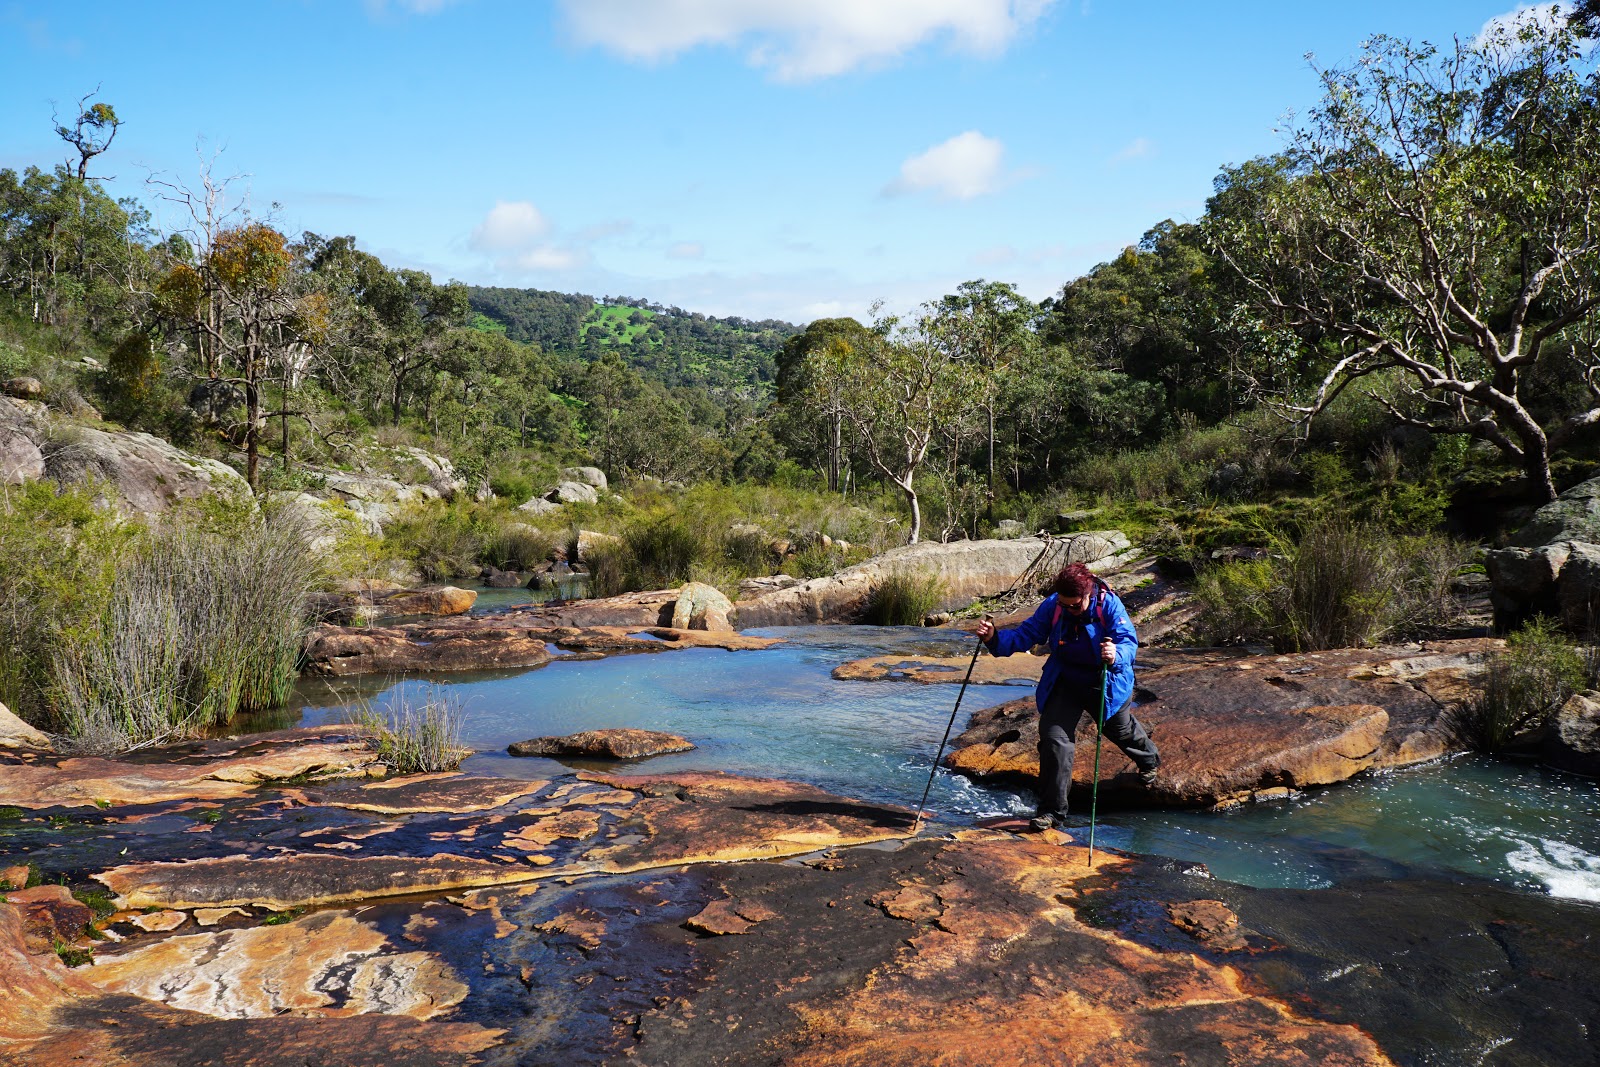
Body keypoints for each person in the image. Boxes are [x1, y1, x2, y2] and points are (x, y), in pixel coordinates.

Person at [975, 561, 1160, 832]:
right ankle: (1052, 813)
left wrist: (1116, 654)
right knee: (1054, 740)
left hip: (1105, 679)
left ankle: (1148, 759)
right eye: (1064, 604)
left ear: (1087, 594)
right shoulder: (1054, 605)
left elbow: (1127, 642)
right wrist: (994, 639)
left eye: (1074, 605)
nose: (1068, 609)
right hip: (1066, 679)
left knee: (1119, 729)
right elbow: (1027, 634)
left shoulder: (1108, 605)